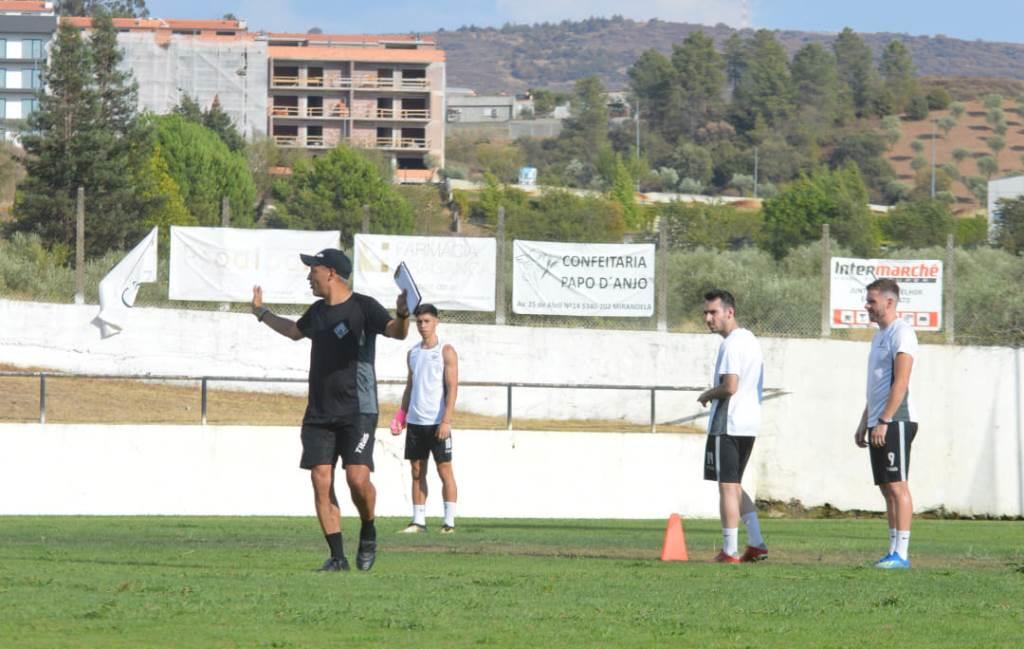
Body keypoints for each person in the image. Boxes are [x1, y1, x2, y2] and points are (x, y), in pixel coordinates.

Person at [251, 248, 409, 572]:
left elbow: (396, 331)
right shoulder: (318, 312)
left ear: (332, 273)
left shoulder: (364, 308)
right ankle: (337, 558)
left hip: (359, 411)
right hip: (319, 413)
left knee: (356, 478)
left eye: (314, 269)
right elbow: (295, 331)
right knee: (321, 479)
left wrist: (404, 315)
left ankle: (368, 529)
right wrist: (261, 313)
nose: (309, 275)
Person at [697, 289, 768, 564]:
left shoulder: (731, 344)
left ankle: (729, 550)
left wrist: (706, 395)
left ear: (730, 312)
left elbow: (730, 386)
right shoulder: (750, 339)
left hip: (728, 423)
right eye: (705, 312)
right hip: (749, 424)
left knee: (726, 487)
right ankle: (757, 543)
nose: (708, 318)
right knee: (735, 485)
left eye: (713, 312)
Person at [855, 278, 918, 569]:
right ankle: (892, 549)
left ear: (889, 302)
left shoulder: (902, 333)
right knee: (885, 487)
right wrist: (864, 421)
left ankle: (902, 554)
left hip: (896, 420)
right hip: (878, 420)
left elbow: (901, 383)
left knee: (897, 486)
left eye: (871, 301)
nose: (867, 306)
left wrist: (884, 420)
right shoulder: (878, 336)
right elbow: (877, 385)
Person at [389, 303, 460, 534]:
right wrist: (401, 415)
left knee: (444, 470)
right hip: (417, 423)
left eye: (427, 321)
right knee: (417, 471)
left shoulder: (446, 351)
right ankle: (418, 521)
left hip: (438, 423)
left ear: (436, 322)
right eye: (419, 321)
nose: (422, 326)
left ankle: (449, 522)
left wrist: (446, 420)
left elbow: (452, 387)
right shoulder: (413, 353)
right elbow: (410, 387)